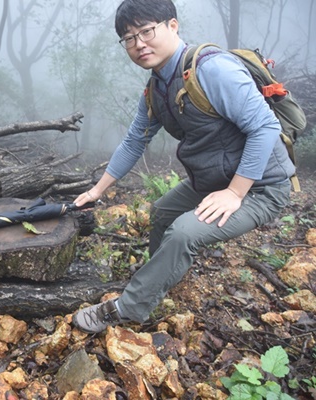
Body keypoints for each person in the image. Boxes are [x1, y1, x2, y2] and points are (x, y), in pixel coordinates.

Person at [72, 0, 295, 334]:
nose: (139, 44)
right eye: (129, 38)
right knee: (163, 212)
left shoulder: (212, 69)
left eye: (146, 31)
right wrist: (96, 190)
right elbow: (134, 141)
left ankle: (128, 308)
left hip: (260, 187)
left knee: (183, 233)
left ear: (172, 26)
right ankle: (157, 281)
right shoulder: (156, 88)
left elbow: (264, 127)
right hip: (212, 180)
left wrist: (235, 193)